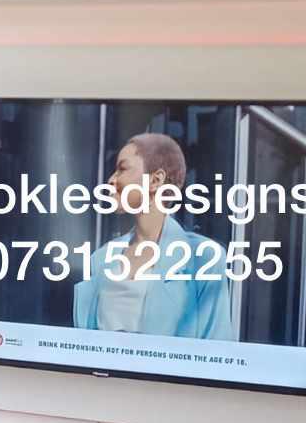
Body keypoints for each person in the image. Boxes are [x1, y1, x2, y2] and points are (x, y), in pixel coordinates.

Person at [73, 132, 236, 340]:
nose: (111, 180)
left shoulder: (204, 258)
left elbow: (216, 347)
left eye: (122, 169)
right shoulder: (100, 259)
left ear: (155, 180)